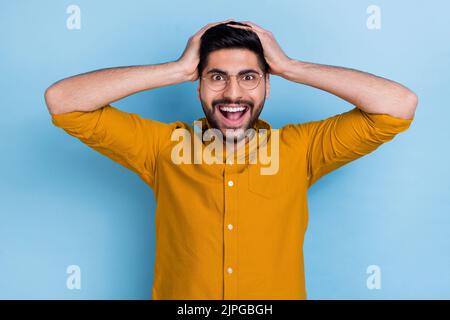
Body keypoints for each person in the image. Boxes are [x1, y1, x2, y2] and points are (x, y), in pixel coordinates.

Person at [44, 19, 417, 300]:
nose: (233, 93)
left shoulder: (302, 148)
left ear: (268, 85)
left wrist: (291, 67)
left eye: (249, 77)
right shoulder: (161, 147)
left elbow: (398, 105)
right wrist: (174, 69)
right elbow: (63, 101)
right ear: (199, 84)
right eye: (217, 77)